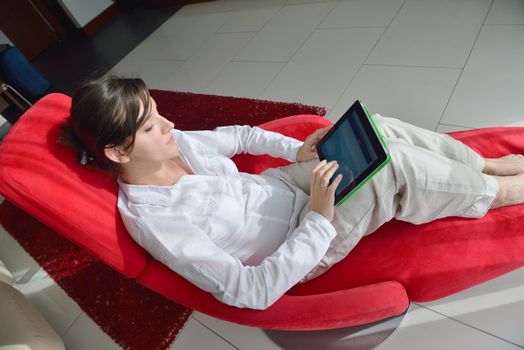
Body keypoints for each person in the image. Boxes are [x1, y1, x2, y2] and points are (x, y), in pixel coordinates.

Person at [61, 75, 524, 310]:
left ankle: (481, 162)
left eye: (158, 112)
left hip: (282, 186)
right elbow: (250, 292)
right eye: (150, 126)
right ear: (117, 152)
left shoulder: (175, 145)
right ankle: (499, 190)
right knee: (388, 168)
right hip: (300, 243)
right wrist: (321, 218)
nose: (170, 126)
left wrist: (298, 153)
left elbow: (242, 135)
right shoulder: (157, 221)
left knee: (371, 129)